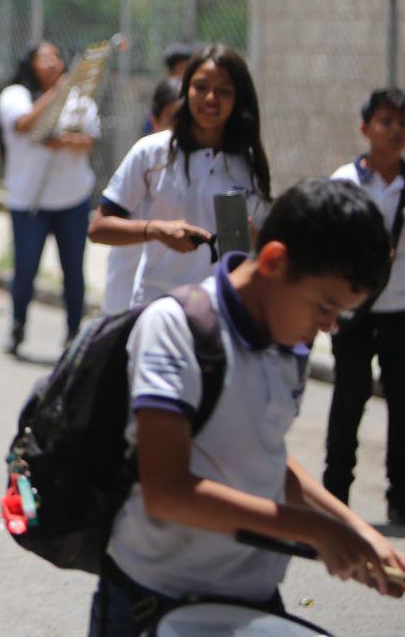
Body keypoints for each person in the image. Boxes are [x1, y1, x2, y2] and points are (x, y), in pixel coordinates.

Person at [89, 179, 405, 635]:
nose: (328, 327)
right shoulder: (177, 327)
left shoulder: (286, 342)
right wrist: (316, 530)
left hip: (253, 597)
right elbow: (166, 490)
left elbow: (267, 458)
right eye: (323, 307)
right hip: (153, 599)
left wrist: (355, 530)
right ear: (275, 261)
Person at [89, 45, 273, 308]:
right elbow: (98, 228)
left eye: (224, 91)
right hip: (157, 307)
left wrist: (254, 239)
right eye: (201, 86)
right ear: (186, 90)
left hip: (220, 312)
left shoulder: (249, 161)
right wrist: (156, 230)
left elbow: (267, 245)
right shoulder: (152, 152)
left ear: (238, 99)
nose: (211, 98)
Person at [325, 87, 405, 525]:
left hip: (400, 312)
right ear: (365, 128)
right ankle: (335, 499)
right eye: (386, 121)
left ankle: (400, 501)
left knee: (402, 407)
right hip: (354, 313)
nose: (395, 130)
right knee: (348, 401)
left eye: (402, 122)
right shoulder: (346, 181)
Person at [0, 42, 100, 352]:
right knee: (26, 268)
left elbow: (88, 139)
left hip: (72, 199)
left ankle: (73, 333)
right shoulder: (14, 96)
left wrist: (62, 139)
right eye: (45, 57)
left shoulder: (80, 100)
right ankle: (18, 324)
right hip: (30, 201)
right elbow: (25, 124)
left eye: (57, 56)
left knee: (73, 270)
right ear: (30, 64)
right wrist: (58, 93)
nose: (53, 62)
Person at [100, 78, 181, 317]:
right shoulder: (146, 154)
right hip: (128, 300)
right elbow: (101, 227)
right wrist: (155, 230)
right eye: (175, 120)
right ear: (155, 121)